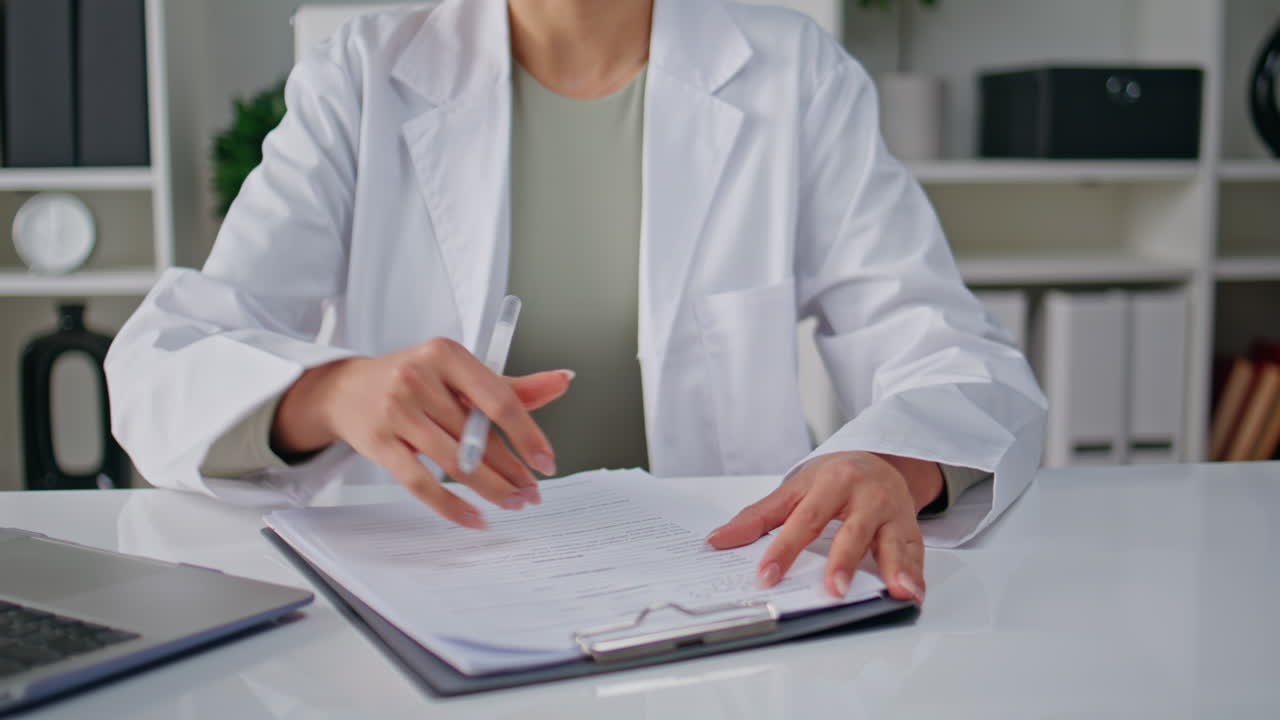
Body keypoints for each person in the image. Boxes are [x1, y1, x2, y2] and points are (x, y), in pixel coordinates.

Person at [106, 0, 1046, 606]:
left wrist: (891, 460)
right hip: (433, 603)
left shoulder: (794, 73)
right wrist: (332, 390)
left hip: (725, 596)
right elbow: (163, 363)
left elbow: (951, 353)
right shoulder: (361, 74)